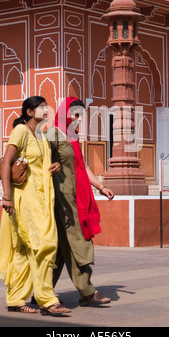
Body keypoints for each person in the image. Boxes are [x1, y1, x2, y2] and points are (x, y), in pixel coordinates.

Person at [0, 96, 71, 316]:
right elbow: (7, 162)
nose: (46, 110)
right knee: (45, 245)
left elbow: (42, 162)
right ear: (29, 112)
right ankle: (47, 300)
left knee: (24, 250)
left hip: (43, 199)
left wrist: (54, 164)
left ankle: (16, 299)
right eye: (41, 107)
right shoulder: (21, 131)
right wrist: (6, 197)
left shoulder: (42, 135)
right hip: (25, 199)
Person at [45, 97, 114, 307]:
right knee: (78, 241)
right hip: (61, 198)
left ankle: (43, 291)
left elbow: (83, 168)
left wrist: (101, 187)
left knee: (60, 248)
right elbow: (39, 164)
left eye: (80, 116)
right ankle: (86, 291)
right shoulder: (52, 134)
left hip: (76, 197)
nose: (78, 120)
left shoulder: (72, 138)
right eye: (75, 115)